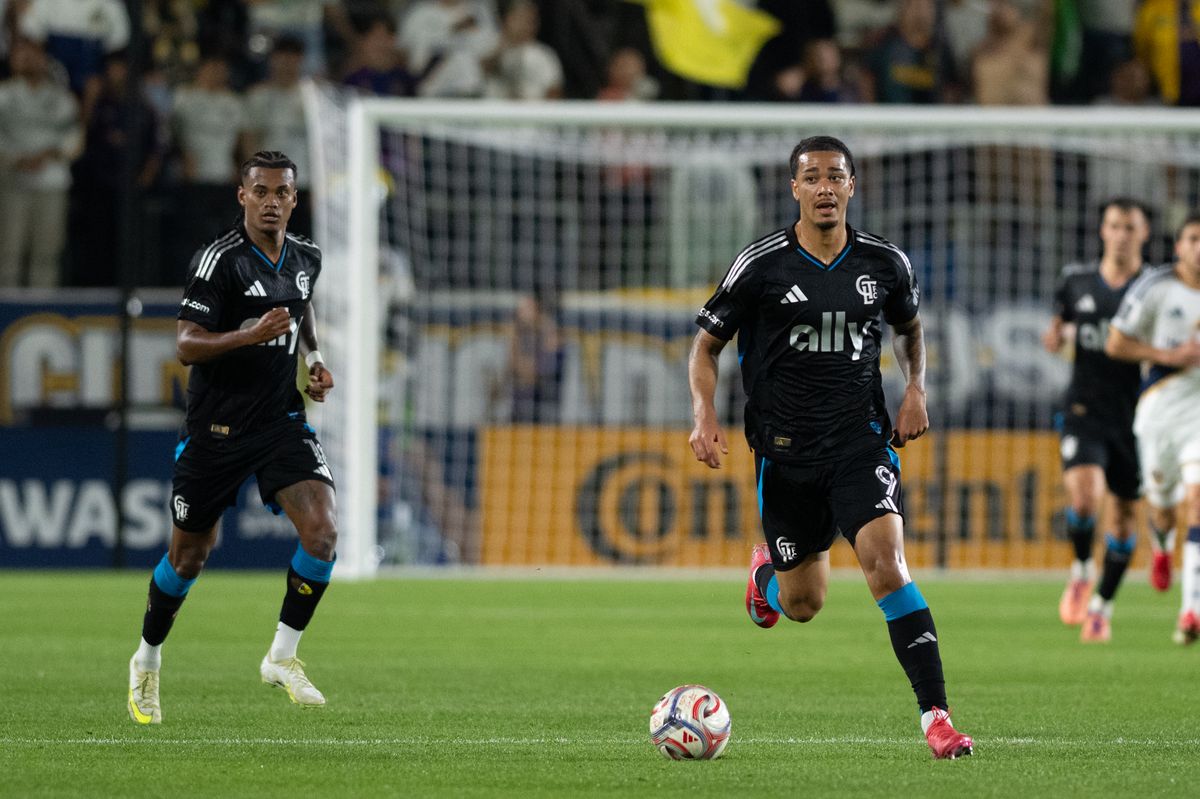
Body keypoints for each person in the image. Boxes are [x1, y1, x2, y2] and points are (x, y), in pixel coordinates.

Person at [687, 135, 973, 759]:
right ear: (794, 188)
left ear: (851, 186)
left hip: (859, 441)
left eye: (834, 177)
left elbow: (908, 328)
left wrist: (916, 388)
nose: (823, 188)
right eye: (810, 177)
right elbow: (705, 344)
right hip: (784, 454)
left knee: (887, 565)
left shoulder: (885, 263)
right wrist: (704, 411)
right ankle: (766, 578)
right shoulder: (760, 265)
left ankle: (937, 719)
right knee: (803, 603)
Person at [127, 150, 338, 724]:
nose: (273, 202)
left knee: (322, 533)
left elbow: (301, 305)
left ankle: (282, 657)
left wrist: (314, 357)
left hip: (279, 422)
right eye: (262, 191)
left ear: (295, 199)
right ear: (242, 196)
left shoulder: (306, 256)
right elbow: (186, 345)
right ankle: (146, 660)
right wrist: (250, 335)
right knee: (191, 555)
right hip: (216, 430)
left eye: (283, 193)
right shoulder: (219, 261)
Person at [1041, 198, 1149, 642]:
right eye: (1114, 225)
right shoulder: (1075, 281)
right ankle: (1083, 567)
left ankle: (1102, 607)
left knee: (1123, 519)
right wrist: (1056, 336)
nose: (1121, 234)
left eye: (1130, 227)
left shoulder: (1154, 288)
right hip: (1084, 409)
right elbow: (1059, 326)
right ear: (1102, 231)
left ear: (1143, 234)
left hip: (1139, 419)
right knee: (1085, 500)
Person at [1107, 212, 1200, 645]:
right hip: (1160, 412)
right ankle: (1162, 547)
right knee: (1162, 507)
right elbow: (1116, 341)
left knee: (1197, 505)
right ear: (1179, 245)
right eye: (1193, 239)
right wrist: (1168, 355)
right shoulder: (1156, 286)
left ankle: (1190, 612)